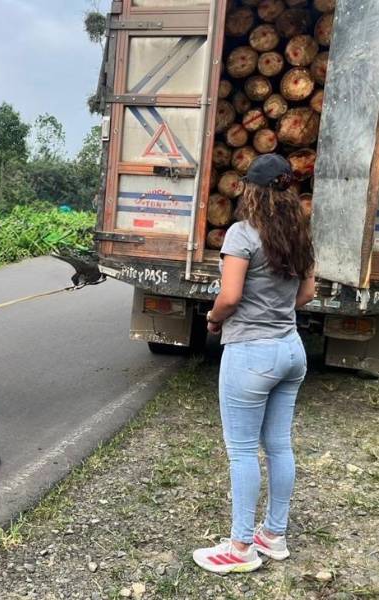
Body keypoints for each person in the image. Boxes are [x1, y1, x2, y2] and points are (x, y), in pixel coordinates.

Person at [193, 153, 316, 573]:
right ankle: (273, 535)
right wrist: (277, 310)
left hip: (251, 354)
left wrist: (213, 319)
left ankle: (241, 547)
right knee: (278, 444)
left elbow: (229, 297)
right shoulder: (300, 236)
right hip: (291, 350)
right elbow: (307, 294)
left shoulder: (242, 234)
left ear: (252, 191)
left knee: (243, 451)